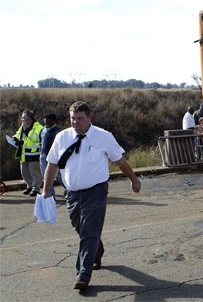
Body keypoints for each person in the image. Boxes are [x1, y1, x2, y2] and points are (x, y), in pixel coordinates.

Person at [42, 101, 141, 291]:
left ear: (89, 118)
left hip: (96, 191)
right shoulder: (62, 138)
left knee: (88, 232)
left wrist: (134, 180)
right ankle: (97, 249)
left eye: (79, 119)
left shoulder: (103, 137)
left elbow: (119, 160)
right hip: (71, 193)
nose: (75, 123)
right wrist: (46, 190)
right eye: (72, 118)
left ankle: (83, 274)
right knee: (81, 228)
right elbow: (52, 164)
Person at [12, 110, 44, 196]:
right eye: (22, 118)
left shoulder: (39, 127)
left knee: (35, 172)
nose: (22, 120)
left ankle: (36, 188)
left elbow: (36, 139)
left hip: (34, 154)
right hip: (24, 154)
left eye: (24, 118)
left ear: (30, 119)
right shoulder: (23, 126)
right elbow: (18, 134)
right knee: (24, 171)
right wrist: (15, 139)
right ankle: (29, 186)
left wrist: (25, 137)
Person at [40, 113, 64, 198]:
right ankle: (50, 195)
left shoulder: (57, 131)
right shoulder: (43, 129)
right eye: (45, 119)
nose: (45, 121)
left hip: (54, 156)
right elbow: (41, 140)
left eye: (48, 119)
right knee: (46, 175)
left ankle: (68, 188)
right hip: (43, 155)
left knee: (58, 175)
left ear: (53, 120)